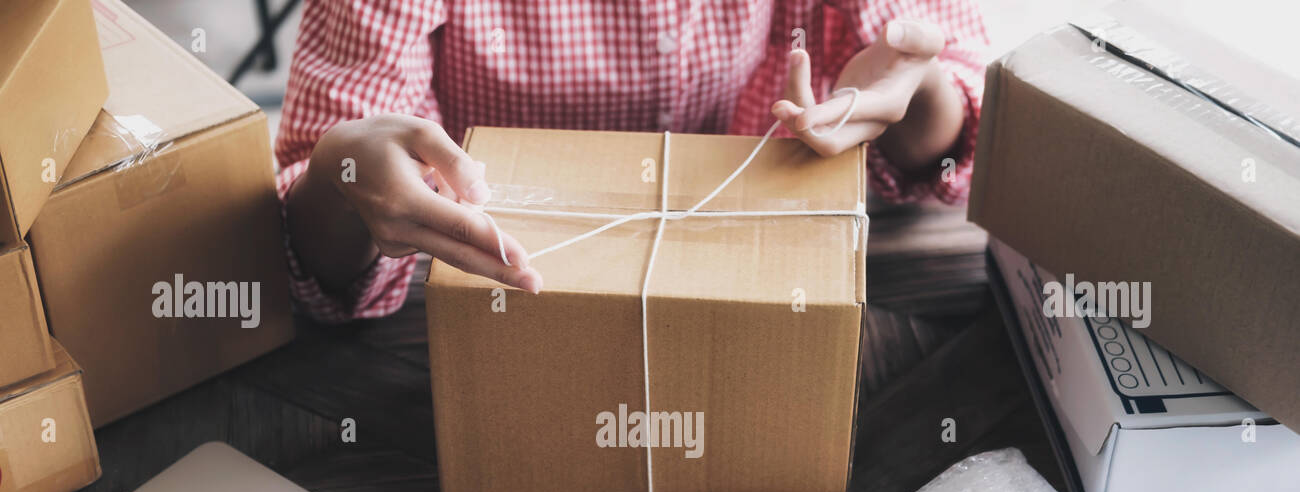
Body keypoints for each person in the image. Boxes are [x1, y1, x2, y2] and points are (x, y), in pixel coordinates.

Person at [277, 1, 988, 323]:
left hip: (744, 284)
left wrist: (916, 88)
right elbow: (307, 250)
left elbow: (947, 132)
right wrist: (344, 171)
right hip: (485, 311)